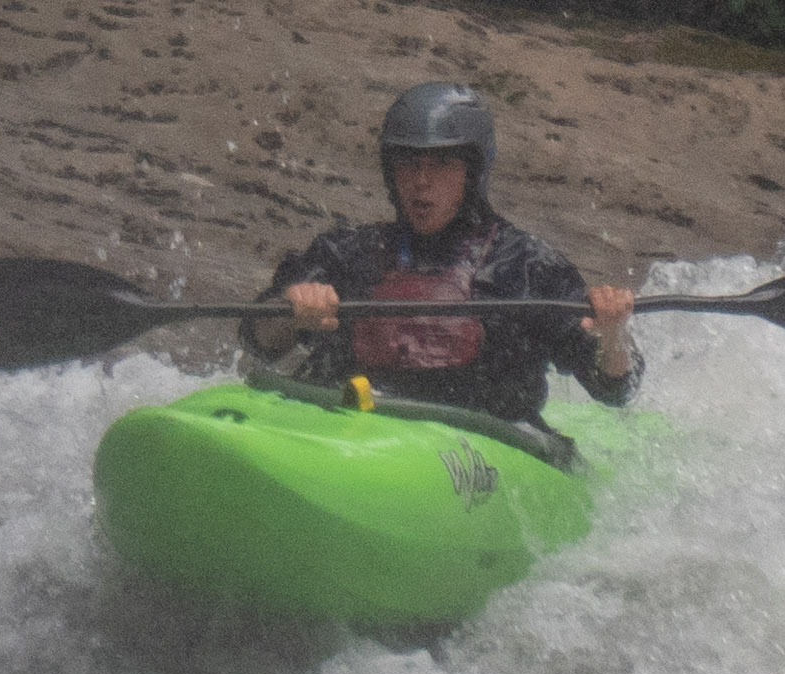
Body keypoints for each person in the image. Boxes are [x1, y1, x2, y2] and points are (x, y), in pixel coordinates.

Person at [246, 83, 637, 432]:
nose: (421, 181)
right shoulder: (345, 254)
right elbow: (256, 340)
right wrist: (288, 311)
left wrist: (614, 335)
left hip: (487, 444)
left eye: (441, 164)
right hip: (355, 427)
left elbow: (614, 389)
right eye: (409, 164)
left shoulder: (528, 267)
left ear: (472, 174)